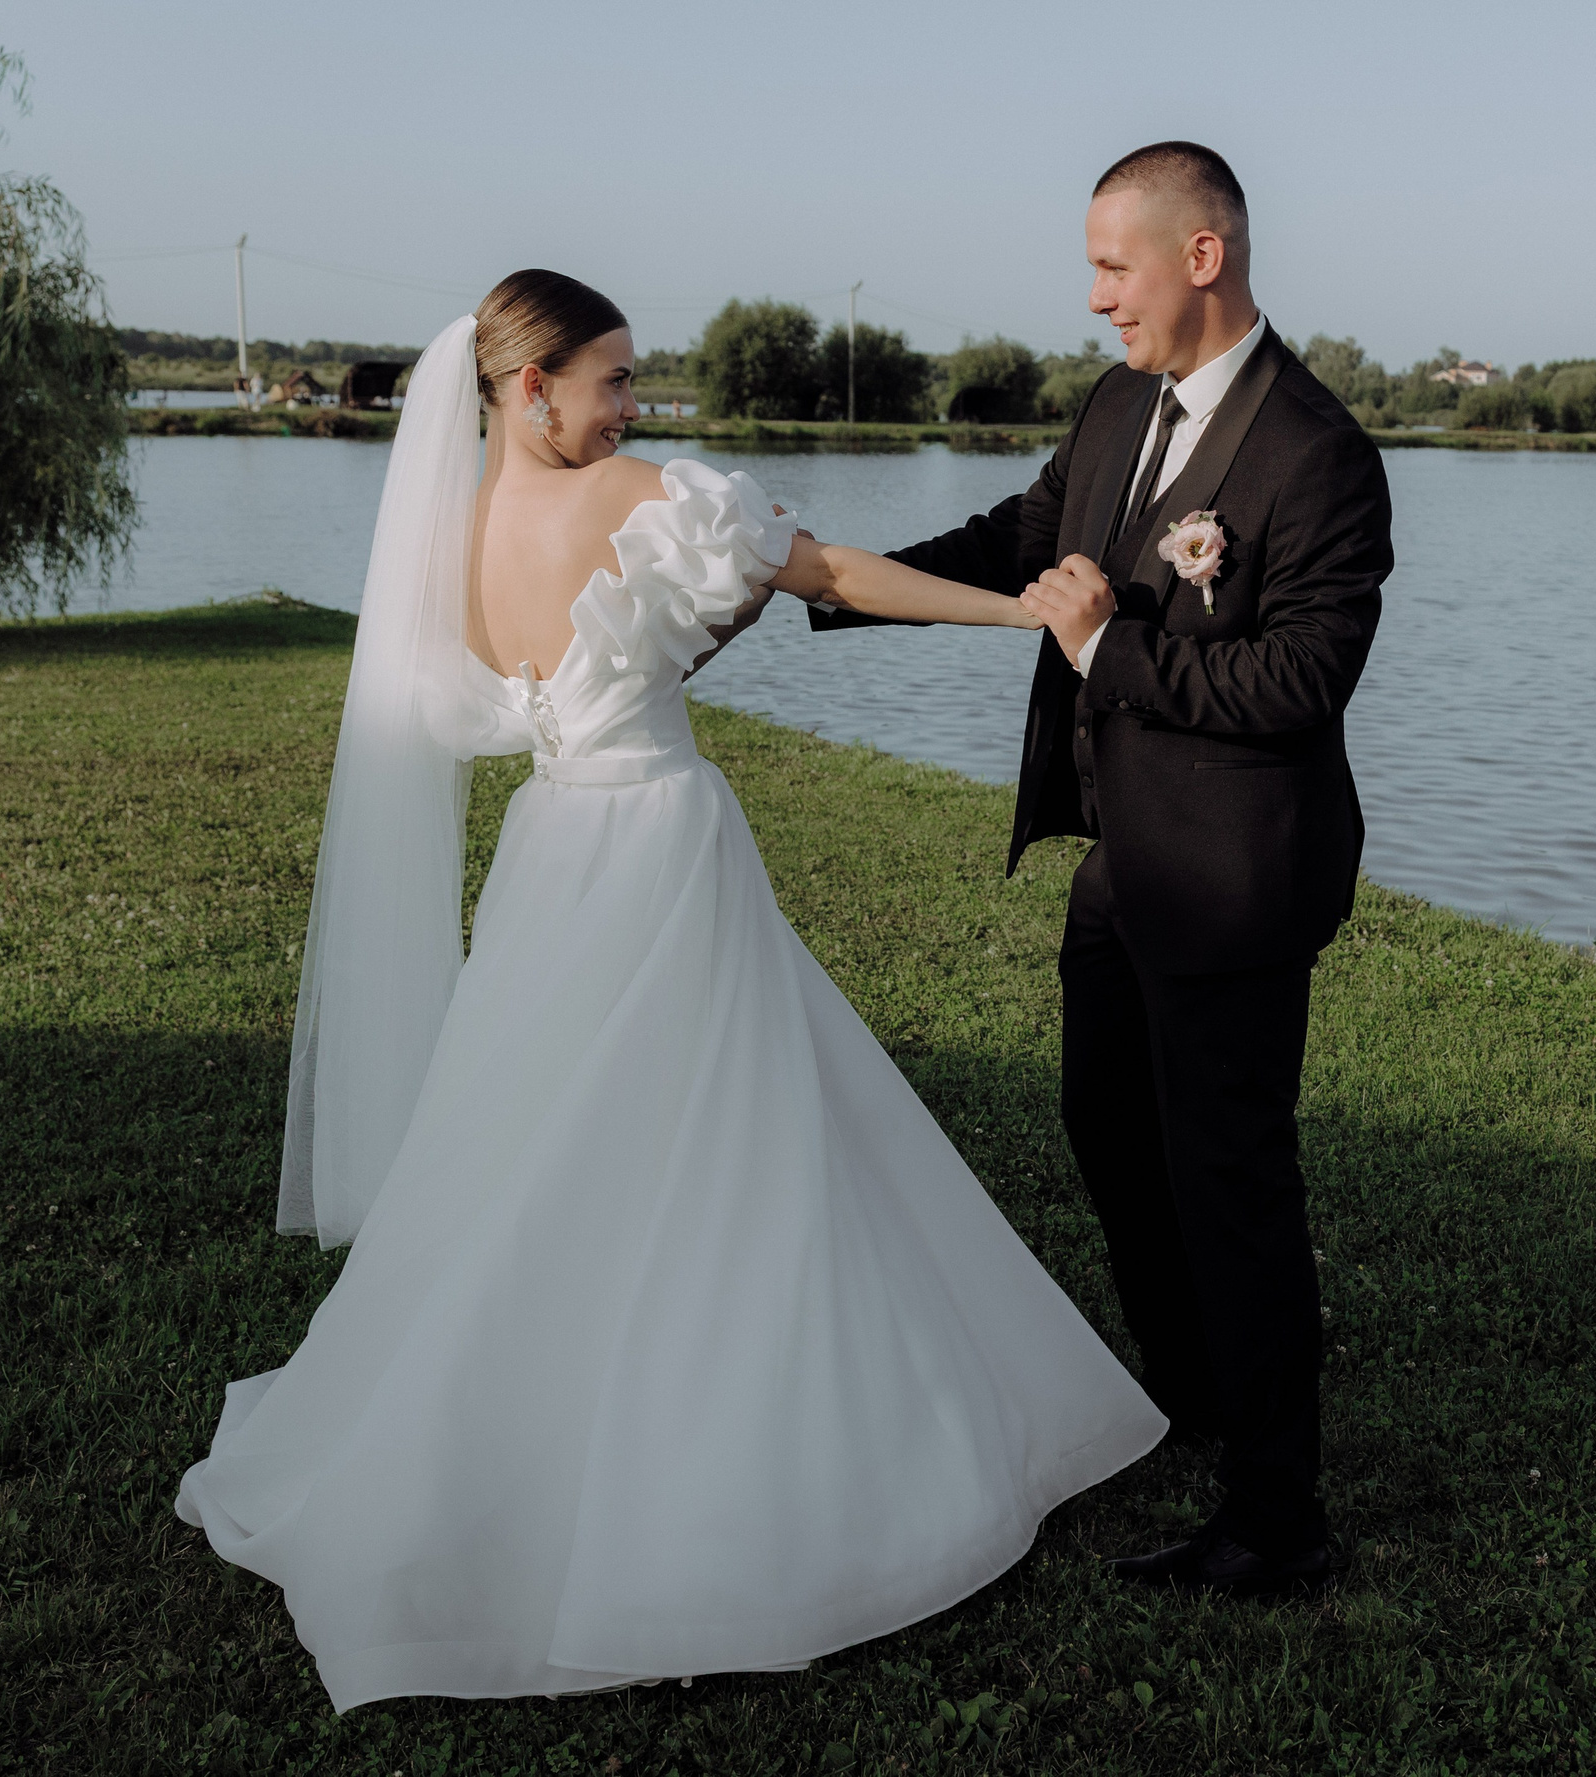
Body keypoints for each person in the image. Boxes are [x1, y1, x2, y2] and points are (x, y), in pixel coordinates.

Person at [175, 269, 1165, 1712]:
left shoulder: (448, 534)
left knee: (539, 1137)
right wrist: (1023, 615)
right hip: (660, 843)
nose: (634, 406)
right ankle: (741, 1457)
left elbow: (602, 668)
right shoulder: (644, 495)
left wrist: (707, 615)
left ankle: (513, 1411)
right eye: (615, 379)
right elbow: (831, 573)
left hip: (551, 850)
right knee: (727, 1134)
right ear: (533, 387)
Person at [809, 142, 1392, 1597]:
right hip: (1127, 861)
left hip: (1239, 875)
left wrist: (1105, 647)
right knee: (1110, 1130)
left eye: (1112, 267)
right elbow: (1023, 540)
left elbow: (1301, 680)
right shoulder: (1119, 403)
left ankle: (1277, 1521)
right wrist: (829, 579)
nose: (1094, 298)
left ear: (1203, 256)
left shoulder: (1317, 452)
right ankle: (1195, 1397)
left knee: (1229, 1177)